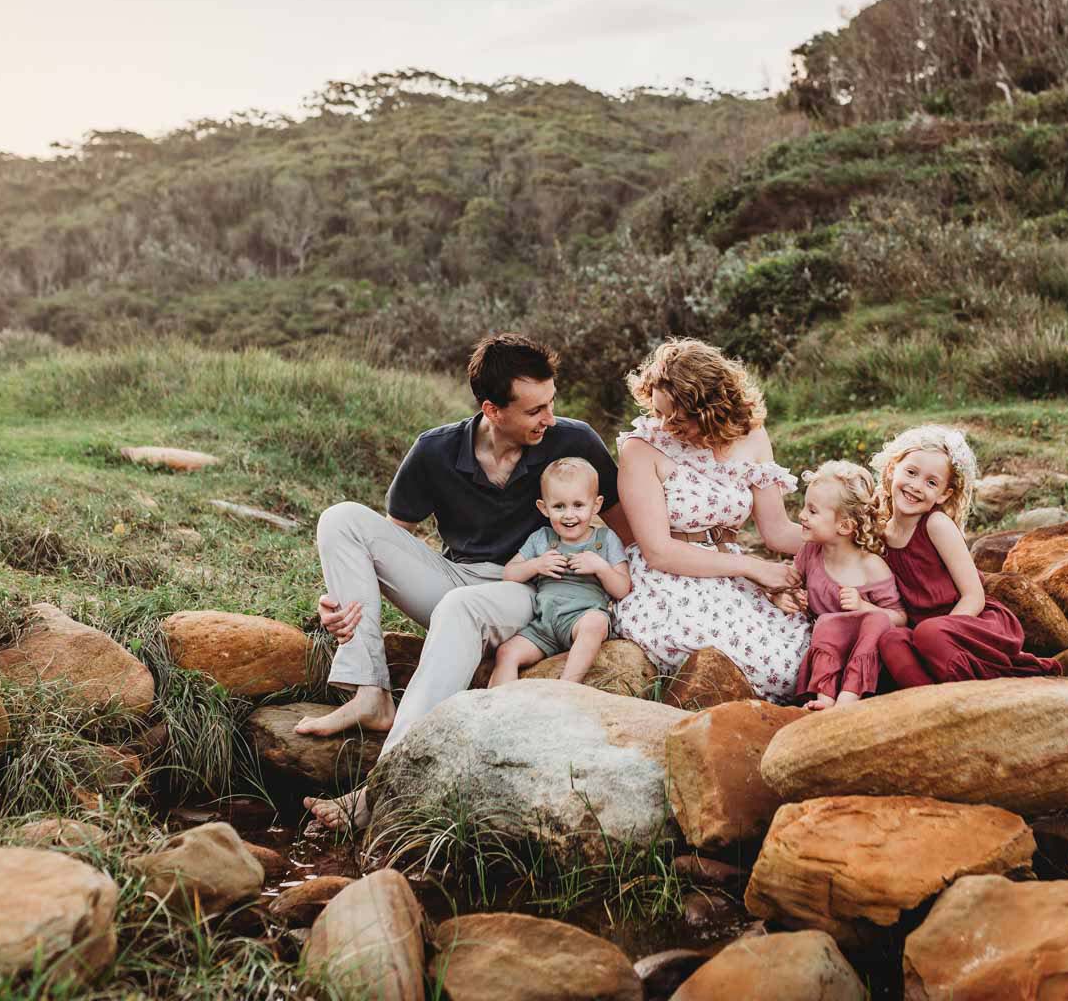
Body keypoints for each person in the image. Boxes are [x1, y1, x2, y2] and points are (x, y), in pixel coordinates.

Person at [299, 333, 624, 832]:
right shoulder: (436, 449)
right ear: (492, 410)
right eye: (536, 409)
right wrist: (342, 594)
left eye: (551, 402)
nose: (550, 418)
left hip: (525, 587)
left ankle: (384, 784)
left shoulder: (573, 441)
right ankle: (371, 693)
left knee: (462, 609)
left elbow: (623, 530)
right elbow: (390, 539)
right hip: (453, 577)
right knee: (341, 518)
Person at [612, 338, 809, 700]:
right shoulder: (642, 448)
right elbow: (658, 551)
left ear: (712, 408)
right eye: (658, 411)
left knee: (804, 645)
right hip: (673, 578)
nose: (666, 424)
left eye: (678, 416)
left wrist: (859, 537)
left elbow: (778, 532)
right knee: (768, 665)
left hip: (732, 571)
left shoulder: (750, 434)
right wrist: (751, 567)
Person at [872, 425, 1063, 686]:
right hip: (925, 636)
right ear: (893, 468)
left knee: (928, 633)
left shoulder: (935, 525)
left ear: (944, 494)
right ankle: (929, 699)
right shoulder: (878, 535)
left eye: (931, 482)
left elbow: (974, 596)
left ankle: (1010, 675)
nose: (916, 486)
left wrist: (941, 632)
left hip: (971, 625)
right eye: (911, 472)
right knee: (890, 640)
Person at [489, 457, 630, 687]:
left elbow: (622, 588)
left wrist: (601, 568)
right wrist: (536, 565)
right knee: (506, 652)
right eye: (559, 506)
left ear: (596, 505)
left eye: (578, 505)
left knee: (595, 623)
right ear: (544, 508)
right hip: (544, 623)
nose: (569, 515)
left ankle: (566, 688)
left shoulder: (604, 540)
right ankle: (499, 705)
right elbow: (509, 574)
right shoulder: (541, 539)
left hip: (582, 618)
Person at [791, 460, 904, 711]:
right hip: (829, 644)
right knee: (827, 622)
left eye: (812, 511)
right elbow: (792, 582)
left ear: (845, 526)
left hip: (865, 652)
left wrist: (864, 606)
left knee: (875, 620)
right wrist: (790, 597)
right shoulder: (810, 552)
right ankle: (824, 697)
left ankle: (849, 697)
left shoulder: (871, 566)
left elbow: (899, 618)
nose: (802, 515)